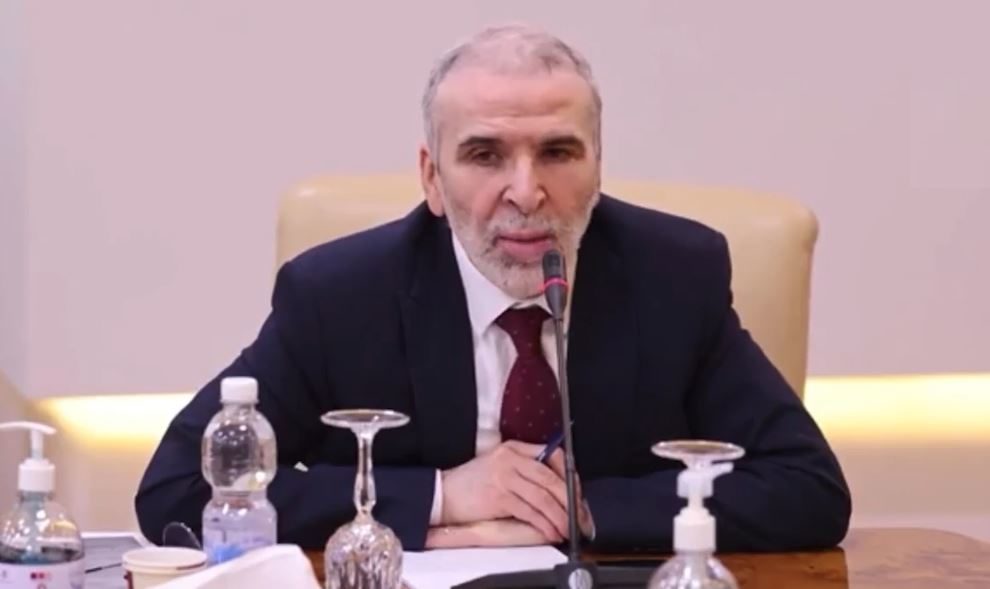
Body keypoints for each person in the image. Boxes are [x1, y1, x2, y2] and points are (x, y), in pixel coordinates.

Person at [135, 23, 850, 553]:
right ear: (431, 178)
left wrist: (577, 509)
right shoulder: (337, 296)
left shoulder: (675, 275)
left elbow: (809, 489)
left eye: (558, 152)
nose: (526, 192)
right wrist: (442, 500)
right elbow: (179, 488)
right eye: (484, 154)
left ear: (598, 165)